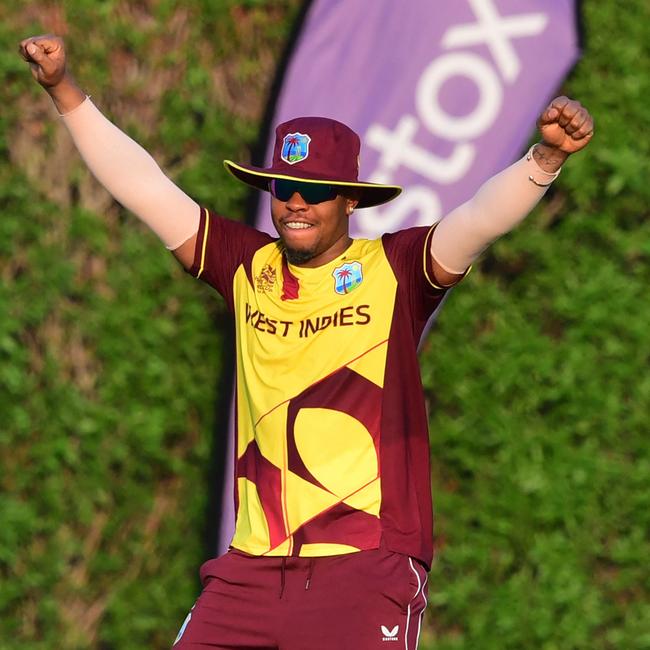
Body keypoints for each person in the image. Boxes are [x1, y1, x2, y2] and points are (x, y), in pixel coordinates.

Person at [19, 34, 593, 650]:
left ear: (349, 199)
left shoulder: (394, 268)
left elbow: (477, 221)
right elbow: (145, 187)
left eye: (315, 191)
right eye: (283, 189)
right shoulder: (246, 265)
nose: (296, 204)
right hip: (249, 570)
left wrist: (543, 162)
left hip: (364, 566)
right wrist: (63, 89)